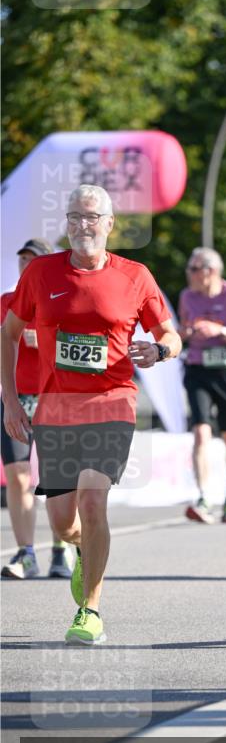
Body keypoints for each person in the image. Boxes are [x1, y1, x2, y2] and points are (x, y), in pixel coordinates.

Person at [1, 184, 181, 644]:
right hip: (55, 410)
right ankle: (83, 550)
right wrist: (10, 401)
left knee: (93, 500)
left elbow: (171, 335)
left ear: (109, 224)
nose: (83, 225)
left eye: (92, 217)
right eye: (75, 217)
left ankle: (91, 610)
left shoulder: (135, 276)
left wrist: (158, 350)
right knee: (63, 523)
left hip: (112, 404)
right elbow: (8, 334)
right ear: (67, 223)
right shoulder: (41, 273)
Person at [1, 239, 73, 580]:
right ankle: (26, 553)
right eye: (22, 259)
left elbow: (79, 345)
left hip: (51, 398)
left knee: (53, 477)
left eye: (33, 260)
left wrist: (46, 341)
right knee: (17, 476)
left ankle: (60, 548)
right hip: (14, 400)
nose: (25, 265)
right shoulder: (6, 303)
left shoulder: (61, 301)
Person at [179, 247, 226, 525]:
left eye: (192, 269)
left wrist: (220, 331)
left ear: (208, 272)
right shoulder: (187, 297)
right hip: (198, 368)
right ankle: (202, 496)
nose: (188, 273)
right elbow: (181, 331)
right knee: (200, 433)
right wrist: (188, 332)